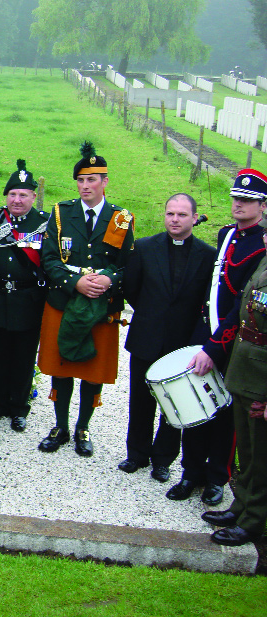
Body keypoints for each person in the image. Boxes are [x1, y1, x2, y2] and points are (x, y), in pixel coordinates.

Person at [172, 169, 267, 505]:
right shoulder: (227, 234)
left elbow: (242, 305)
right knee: (195, 403)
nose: (239, 204)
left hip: (232, 338)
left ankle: (217, 477)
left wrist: (215, 346)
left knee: (224, 413)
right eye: (236, 198)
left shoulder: (261, 244)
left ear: (262, 205)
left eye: (248, 200)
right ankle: (190, 472)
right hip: (206, 330)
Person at [37, 142, 134, 458]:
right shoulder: (61, 214)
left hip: (102, 306)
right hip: (65, 301)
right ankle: (61, 426)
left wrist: (108, 280)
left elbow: (128, 264)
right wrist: (75, 282)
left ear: (105, 182)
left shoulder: (121, 219)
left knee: (93, 370)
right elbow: (49, 258)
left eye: (92, 180)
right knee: (61, 367)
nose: (86, 186)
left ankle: (83, 428)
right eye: (81, 180)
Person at [119, 193, 215, 483]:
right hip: (147, 335)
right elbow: (132, 290)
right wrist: (151, 315)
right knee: (140, 398)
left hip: (182, 342)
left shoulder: (208, 255)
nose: (175, 219)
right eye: (170, 213)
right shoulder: (145, 248)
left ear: (194, 218)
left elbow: (204, 302)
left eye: (182, 215)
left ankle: (163, 459)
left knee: (174, 403)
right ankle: (136, 453)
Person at [203, 217, 267, 546]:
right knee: (247, 448)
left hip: (263, 381)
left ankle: (253, 522)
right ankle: (241, 507)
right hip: (246, 370)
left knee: (260, 456)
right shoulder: (264, 261)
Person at [0, 159, 49, 432]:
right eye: (12, 194)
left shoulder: (45, 223)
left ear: (33, 196)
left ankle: (19, 407)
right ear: (6, 196)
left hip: (28, 300)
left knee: (24, 356)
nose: (17, 200)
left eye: (23, 195)